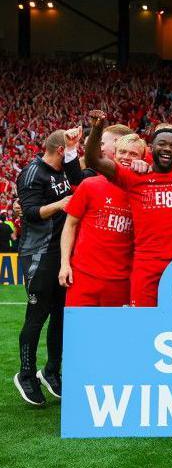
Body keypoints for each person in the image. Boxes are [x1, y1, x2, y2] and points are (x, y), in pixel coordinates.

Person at [85, 111, 172, 307]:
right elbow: (94, 161)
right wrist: (97, 128)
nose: (167, 149)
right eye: (162, 144)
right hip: (146, 264)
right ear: (152, 148)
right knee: (143, 321)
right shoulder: (134, 176)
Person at [13, 129, 74, 405]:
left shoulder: (65, 170)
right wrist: (60, 204)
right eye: (71, 149)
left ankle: (51, 371)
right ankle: (26, 374)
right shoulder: (31, 173)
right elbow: (29, 212)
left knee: (61, 314)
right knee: (37, 315)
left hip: (62, 253)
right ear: (60, 149)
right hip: (38, 252)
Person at [59, 133, 145, 307]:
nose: (127, 157)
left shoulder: (144, 191)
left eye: (133, 154)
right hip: (83, 276)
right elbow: (70, 225)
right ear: (114, 154)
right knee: (79, 333)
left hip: (121, 282)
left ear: (142, 158)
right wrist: (64, 264)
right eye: (122, 152)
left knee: (114, 334)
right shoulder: (90, 185)